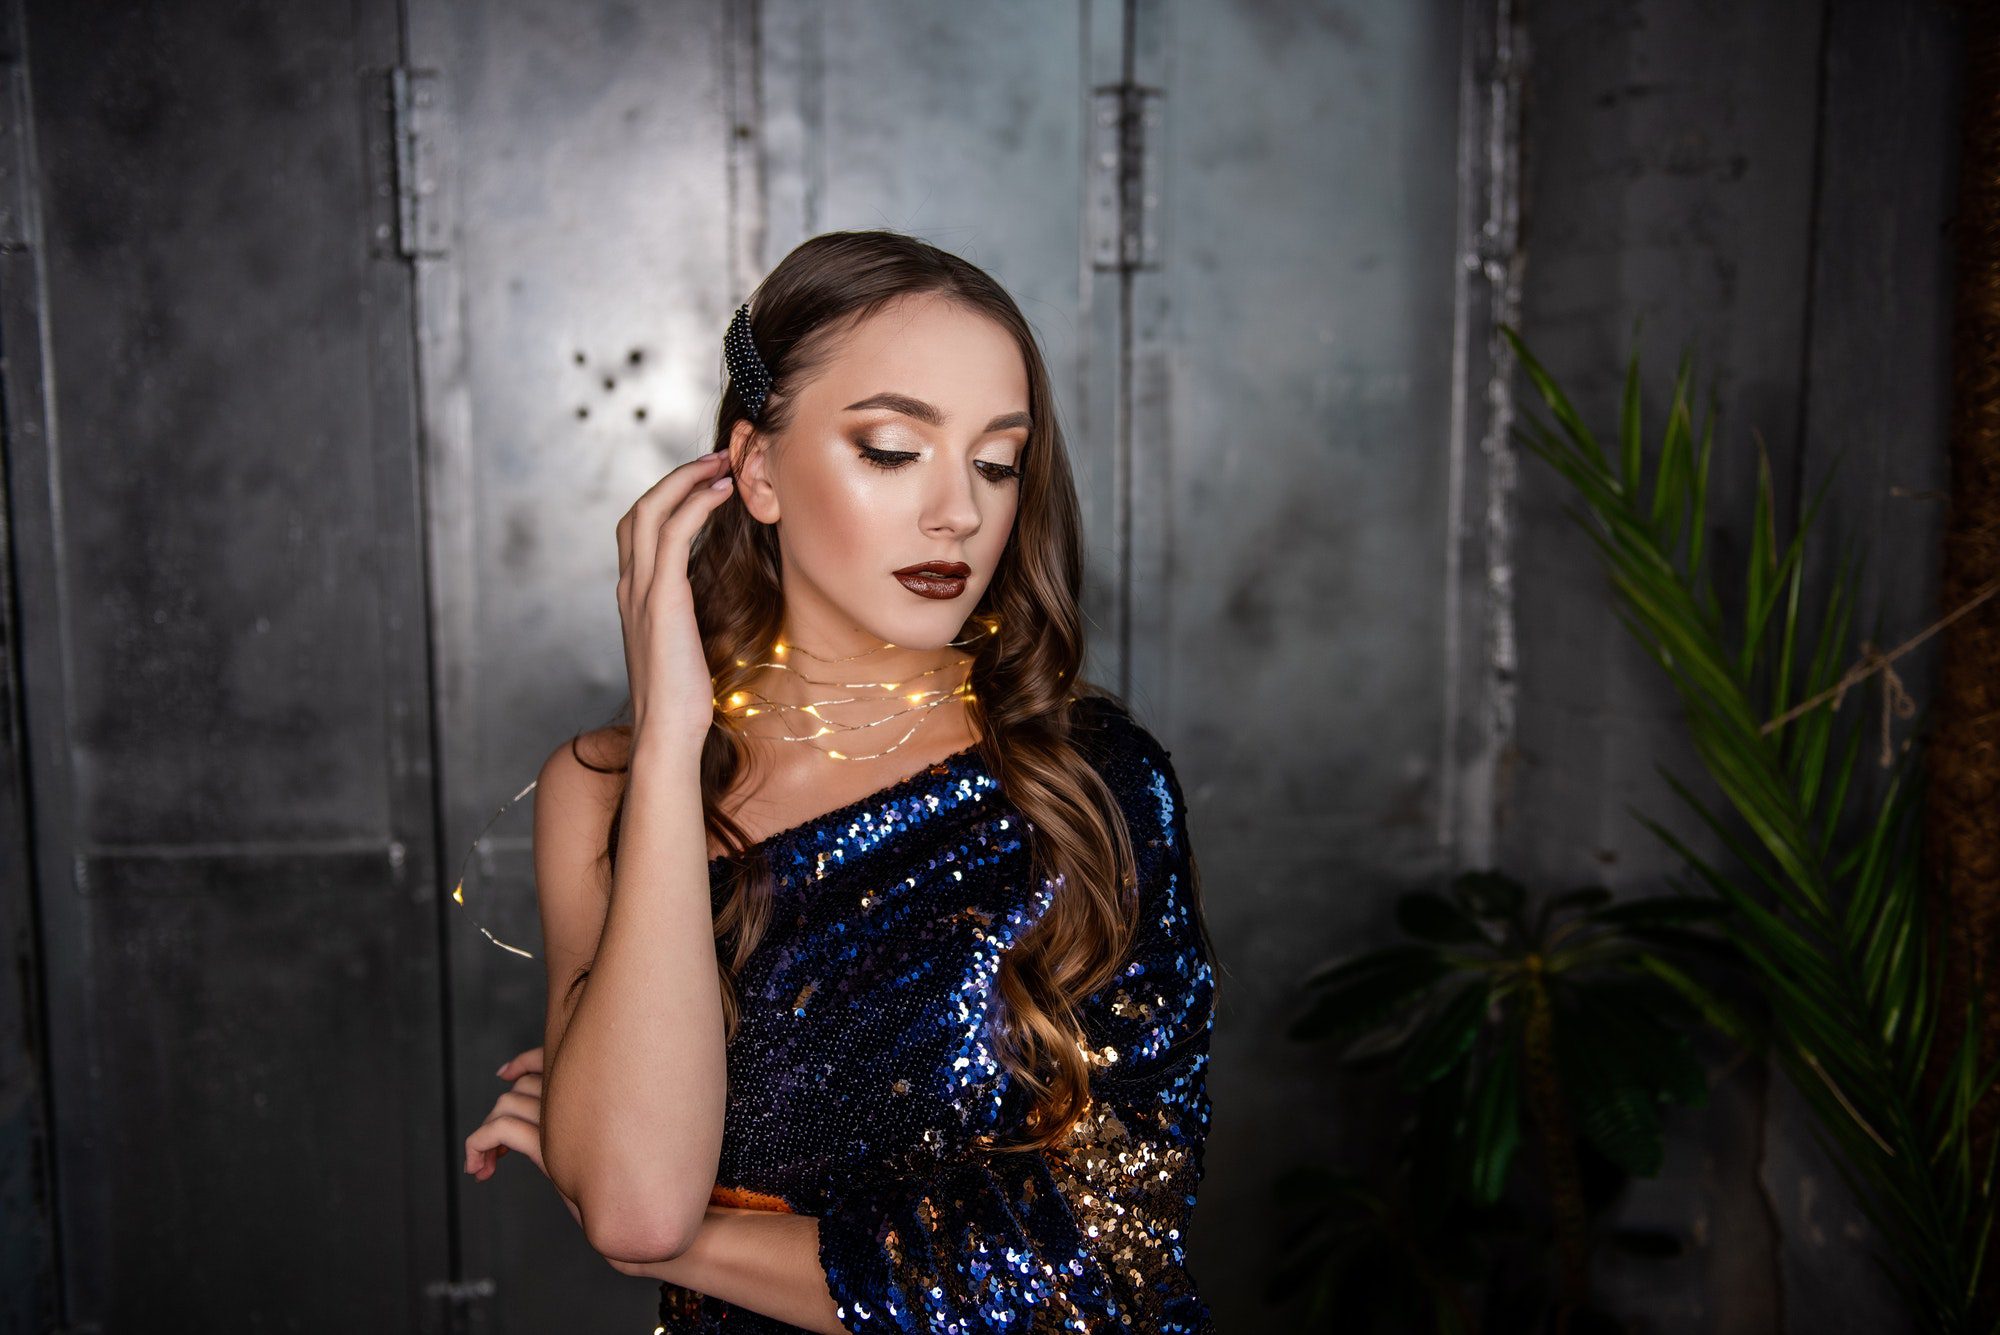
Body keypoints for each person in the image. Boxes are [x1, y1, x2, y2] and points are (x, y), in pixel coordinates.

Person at [462, 229, 1222, 1334]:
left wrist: (701, 1234)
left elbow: (1098, 1249)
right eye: (891, 449)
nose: (958, 512)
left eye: (996, 462)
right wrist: (673, 740)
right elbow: (632, 1204)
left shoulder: (1090, 785)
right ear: (757, 471)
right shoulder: (606, 789)